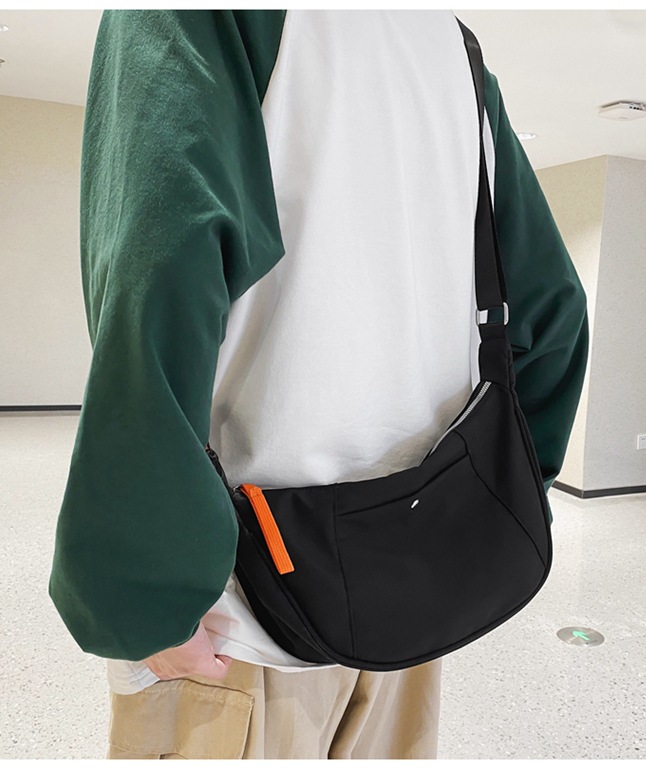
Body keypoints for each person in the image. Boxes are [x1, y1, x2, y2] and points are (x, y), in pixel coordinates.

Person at [48, 9, 589, 760]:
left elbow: (160, 276)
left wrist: (147, 594)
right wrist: (504, 496)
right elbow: (551, 306)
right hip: (414, 596)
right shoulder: (452, 43)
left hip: (241, 611)